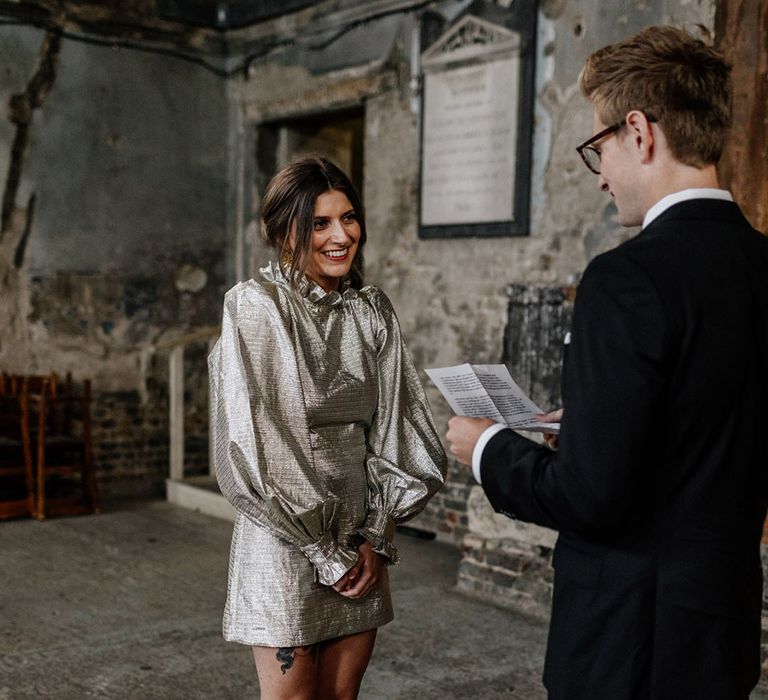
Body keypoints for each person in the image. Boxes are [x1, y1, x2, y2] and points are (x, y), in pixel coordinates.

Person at [446, 25, 768, 700]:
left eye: (599, 148)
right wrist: (596, 423)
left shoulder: (627, 279)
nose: (601, 179)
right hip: (720, 630)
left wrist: (488, 449)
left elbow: (590, 497)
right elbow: (715, 425)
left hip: (629, 643)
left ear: (639, 131)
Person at [209, 155, 446, 699]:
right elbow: (258, 443)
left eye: (349, 218)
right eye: (319, 223)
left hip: (361, 541)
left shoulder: (372, 311)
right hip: (287, 541)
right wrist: (322, 552)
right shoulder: (257, 307)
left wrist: (375, 535)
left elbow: (398, 424)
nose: (341, 235)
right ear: (281, 232)